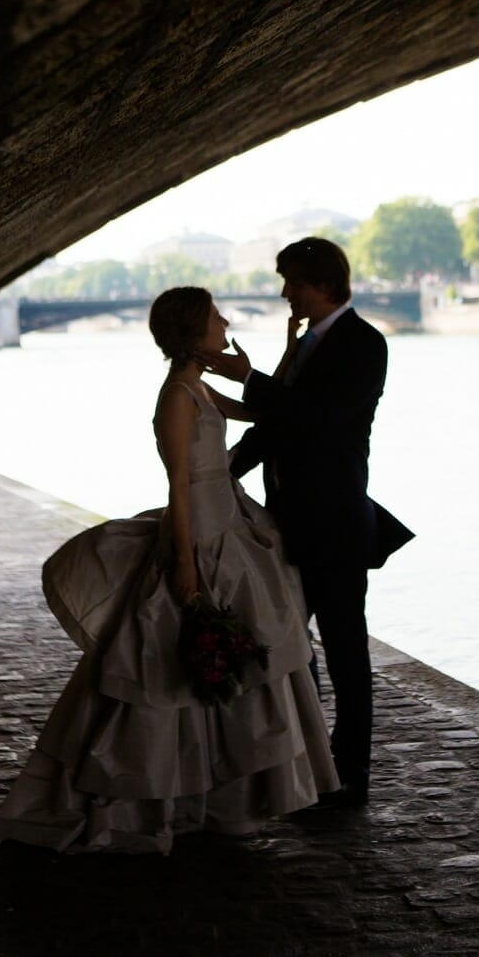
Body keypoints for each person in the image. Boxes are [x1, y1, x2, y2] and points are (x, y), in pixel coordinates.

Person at [0, 287, 339, 854]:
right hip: (201, 534)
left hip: (229, 522)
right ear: (192, 330)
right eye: (214, 316)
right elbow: (178, 484)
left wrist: (276, 356)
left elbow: (261, 411)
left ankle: (214, 798)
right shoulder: (177, 396)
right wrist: (184, 561)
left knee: (217, 666)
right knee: (177, 670)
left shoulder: (198, 385)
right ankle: (161, 799)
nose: (225, 319)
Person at [203, 238, 412, 809]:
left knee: (346, 653)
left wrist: (249, 378)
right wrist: (221, 472)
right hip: (288, 524)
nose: (284, 292)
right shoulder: (302, 345)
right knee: (288, 647)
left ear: (322, 284)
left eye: (292, 282)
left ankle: (351, 780)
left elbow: (318, 419)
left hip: (337, 526)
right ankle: (310, 769)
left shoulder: (365, 344)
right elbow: (275, 426)